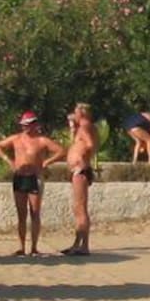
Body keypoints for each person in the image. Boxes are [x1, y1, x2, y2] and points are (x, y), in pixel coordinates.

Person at [0, 110, 64, 256]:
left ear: (34, 124)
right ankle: (21, 246)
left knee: (35, 212)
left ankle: (34, 247)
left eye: (28, 124)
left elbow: (60, 151)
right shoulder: (16, 139)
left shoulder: (41, 141)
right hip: (20, 176)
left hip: (34, 177)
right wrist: (9, 161)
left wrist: (46, 162)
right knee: (21, 214)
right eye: (24, 125)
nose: (25, 127)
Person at [62, 104, 98, 256]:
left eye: (75, 113)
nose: (73, 115)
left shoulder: (85, 127)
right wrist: (72, 128)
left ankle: (84, 246)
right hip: (78, 170)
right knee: (77, 208)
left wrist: (82, 160)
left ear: (81, 114)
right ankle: (77, 243)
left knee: (80, 208)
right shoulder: (82, 128)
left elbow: (90, 145)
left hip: (80, 170)